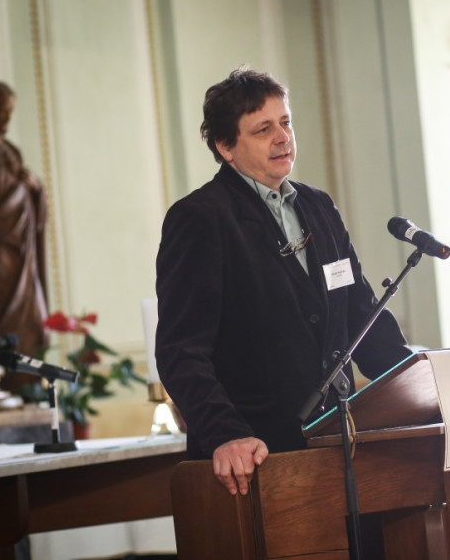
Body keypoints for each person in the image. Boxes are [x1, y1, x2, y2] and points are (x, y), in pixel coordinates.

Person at [154, 68, 413, 496]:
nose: (282, 137)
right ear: (225, 146)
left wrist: (420, 390)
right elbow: (181, 351)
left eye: (286, 122)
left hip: (340, 445)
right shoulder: (200, 218)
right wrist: (225, 434)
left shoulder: (319, 206)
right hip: (256, 457)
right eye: (263, 129)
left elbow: (362, 320)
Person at [0, 81, 48, 394]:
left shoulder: (9, 150)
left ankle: (25, 388)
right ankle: (0, 386)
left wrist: (35, 189)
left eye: (10, 112)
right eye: (2, 111)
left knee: (28, 322)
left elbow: (30, 195)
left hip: (22, 253)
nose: (7, 118)